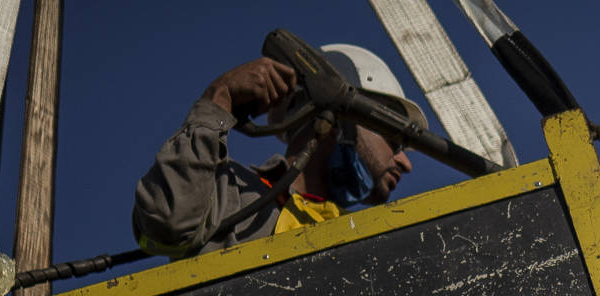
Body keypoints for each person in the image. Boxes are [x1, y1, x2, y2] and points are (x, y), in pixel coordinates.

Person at [130, 44, 419, 260]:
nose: (406, 163)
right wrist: (219, 97)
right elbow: (167, 221)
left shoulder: (369, 239)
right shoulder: (229, 192)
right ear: (336, 118)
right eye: (393, 142)